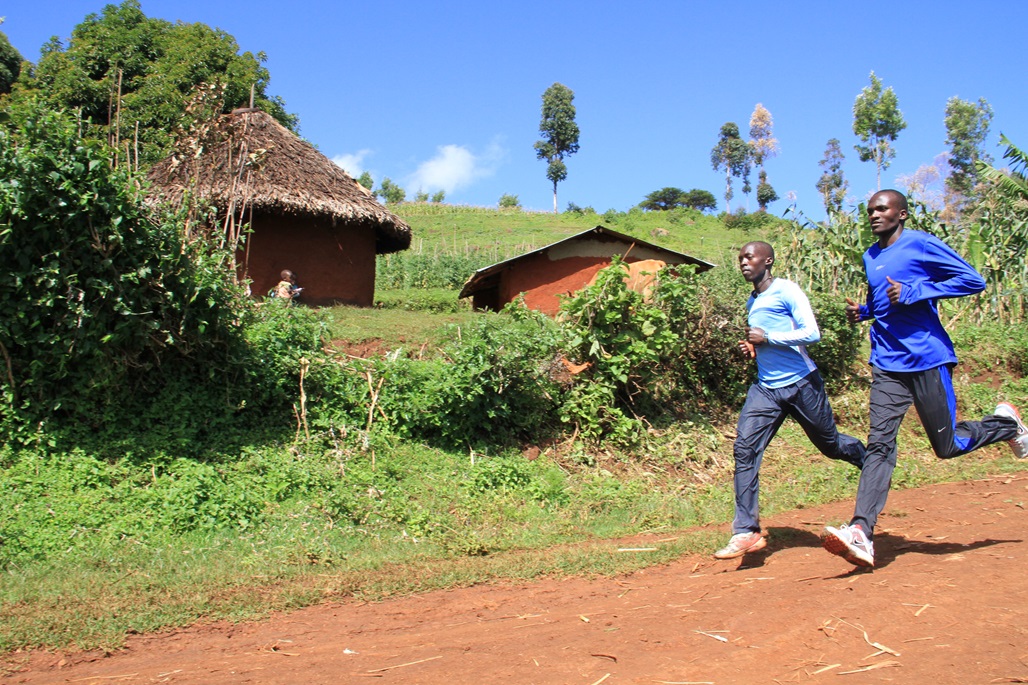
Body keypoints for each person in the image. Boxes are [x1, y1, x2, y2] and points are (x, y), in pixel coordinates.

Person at [822, 189, 1028, 568]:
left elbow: (973, 280)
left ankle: (1005, 424)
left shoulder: (921, 244)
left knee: (947, 445)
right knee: (879, 446)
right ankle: (861, 531)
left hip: (927, 359)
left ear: (901, 214)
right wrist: (865, 311)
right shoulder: (871, 255)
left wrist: (918, 290)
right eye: (870, 210)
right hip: (887, 364)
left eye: (882, 209)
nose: (874, 215)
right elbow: (886, 301)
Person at [714, 242, 867, 560]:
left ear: (767, 260)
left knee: (831, 446)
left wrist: (769, 339)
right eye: (740, 258)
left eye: (749, 257)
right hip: (766, 389)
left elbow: (812, 333)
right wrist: (754, 348)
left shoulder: (787, 290)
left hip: (801, 385)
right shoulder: (753, 300)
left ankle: (871, 461)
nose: (743, 262)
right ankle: (746, 532)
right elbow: (765, 338)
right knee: (744, 448)